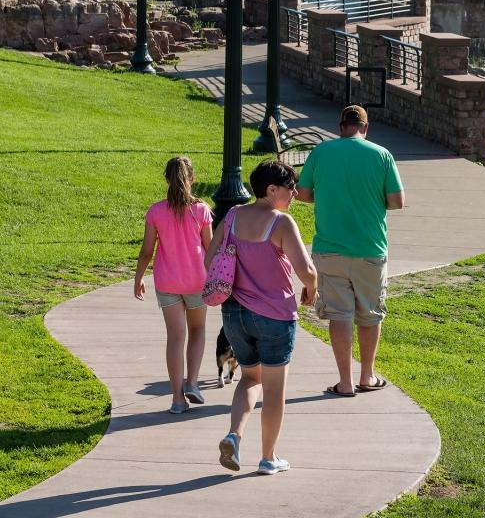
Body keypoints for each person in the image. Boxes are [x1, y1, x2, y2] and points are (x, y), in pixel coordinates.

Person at [210, 159, 316, 476]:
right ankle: (268, 457)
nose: (295, 193)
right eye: (290, 187)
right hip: (274, 317)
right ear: (271, 190)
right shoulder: (280, 223)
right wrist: (313, 287)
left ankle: (234, 435)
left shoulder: (231, 216)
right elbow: (306, 270)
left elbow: (209, 257)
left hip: (234, 315)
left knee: (249, 378)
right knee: (274, 391)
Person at [296, 106, 404, 399]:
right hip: (371, 249)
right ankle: (367, 375)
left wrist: (328, 195)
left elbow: (302, 193)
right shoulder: (382, 155)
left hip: (329, 250)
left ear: (341, 126)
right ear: (365, 128)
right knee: (370, 314)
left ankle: (344, 382)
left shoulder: (321, 152)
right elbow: (396, 201)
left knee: (339, 315)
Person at [134, 157, 214, 414]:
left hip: (167, 281)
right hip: (197, 281)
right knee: (198, 329)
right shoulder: (201, 211)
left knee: (175, 337)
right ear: (192, 179)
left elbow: (147, 251)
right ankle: (192, 382)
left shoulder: (156, 211)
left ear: (166, 179)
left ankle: (177, 399)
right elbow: (210, 248)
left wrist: (138, 278)